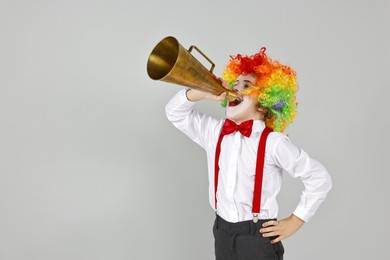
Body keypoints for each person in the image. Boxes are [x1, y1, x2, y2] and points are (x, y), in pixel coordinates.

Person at [165, 47, 332, 260]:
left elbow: (320, 178)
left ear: (264, 104)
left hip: (257, 238)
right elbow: (174, 112)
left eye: (247, 86)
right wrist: (205, 91)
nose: (237, 89)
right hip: (222, 232)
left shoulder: (273, 142)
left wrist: (296, 220)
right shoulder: (214, 133)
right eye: (235, 85)